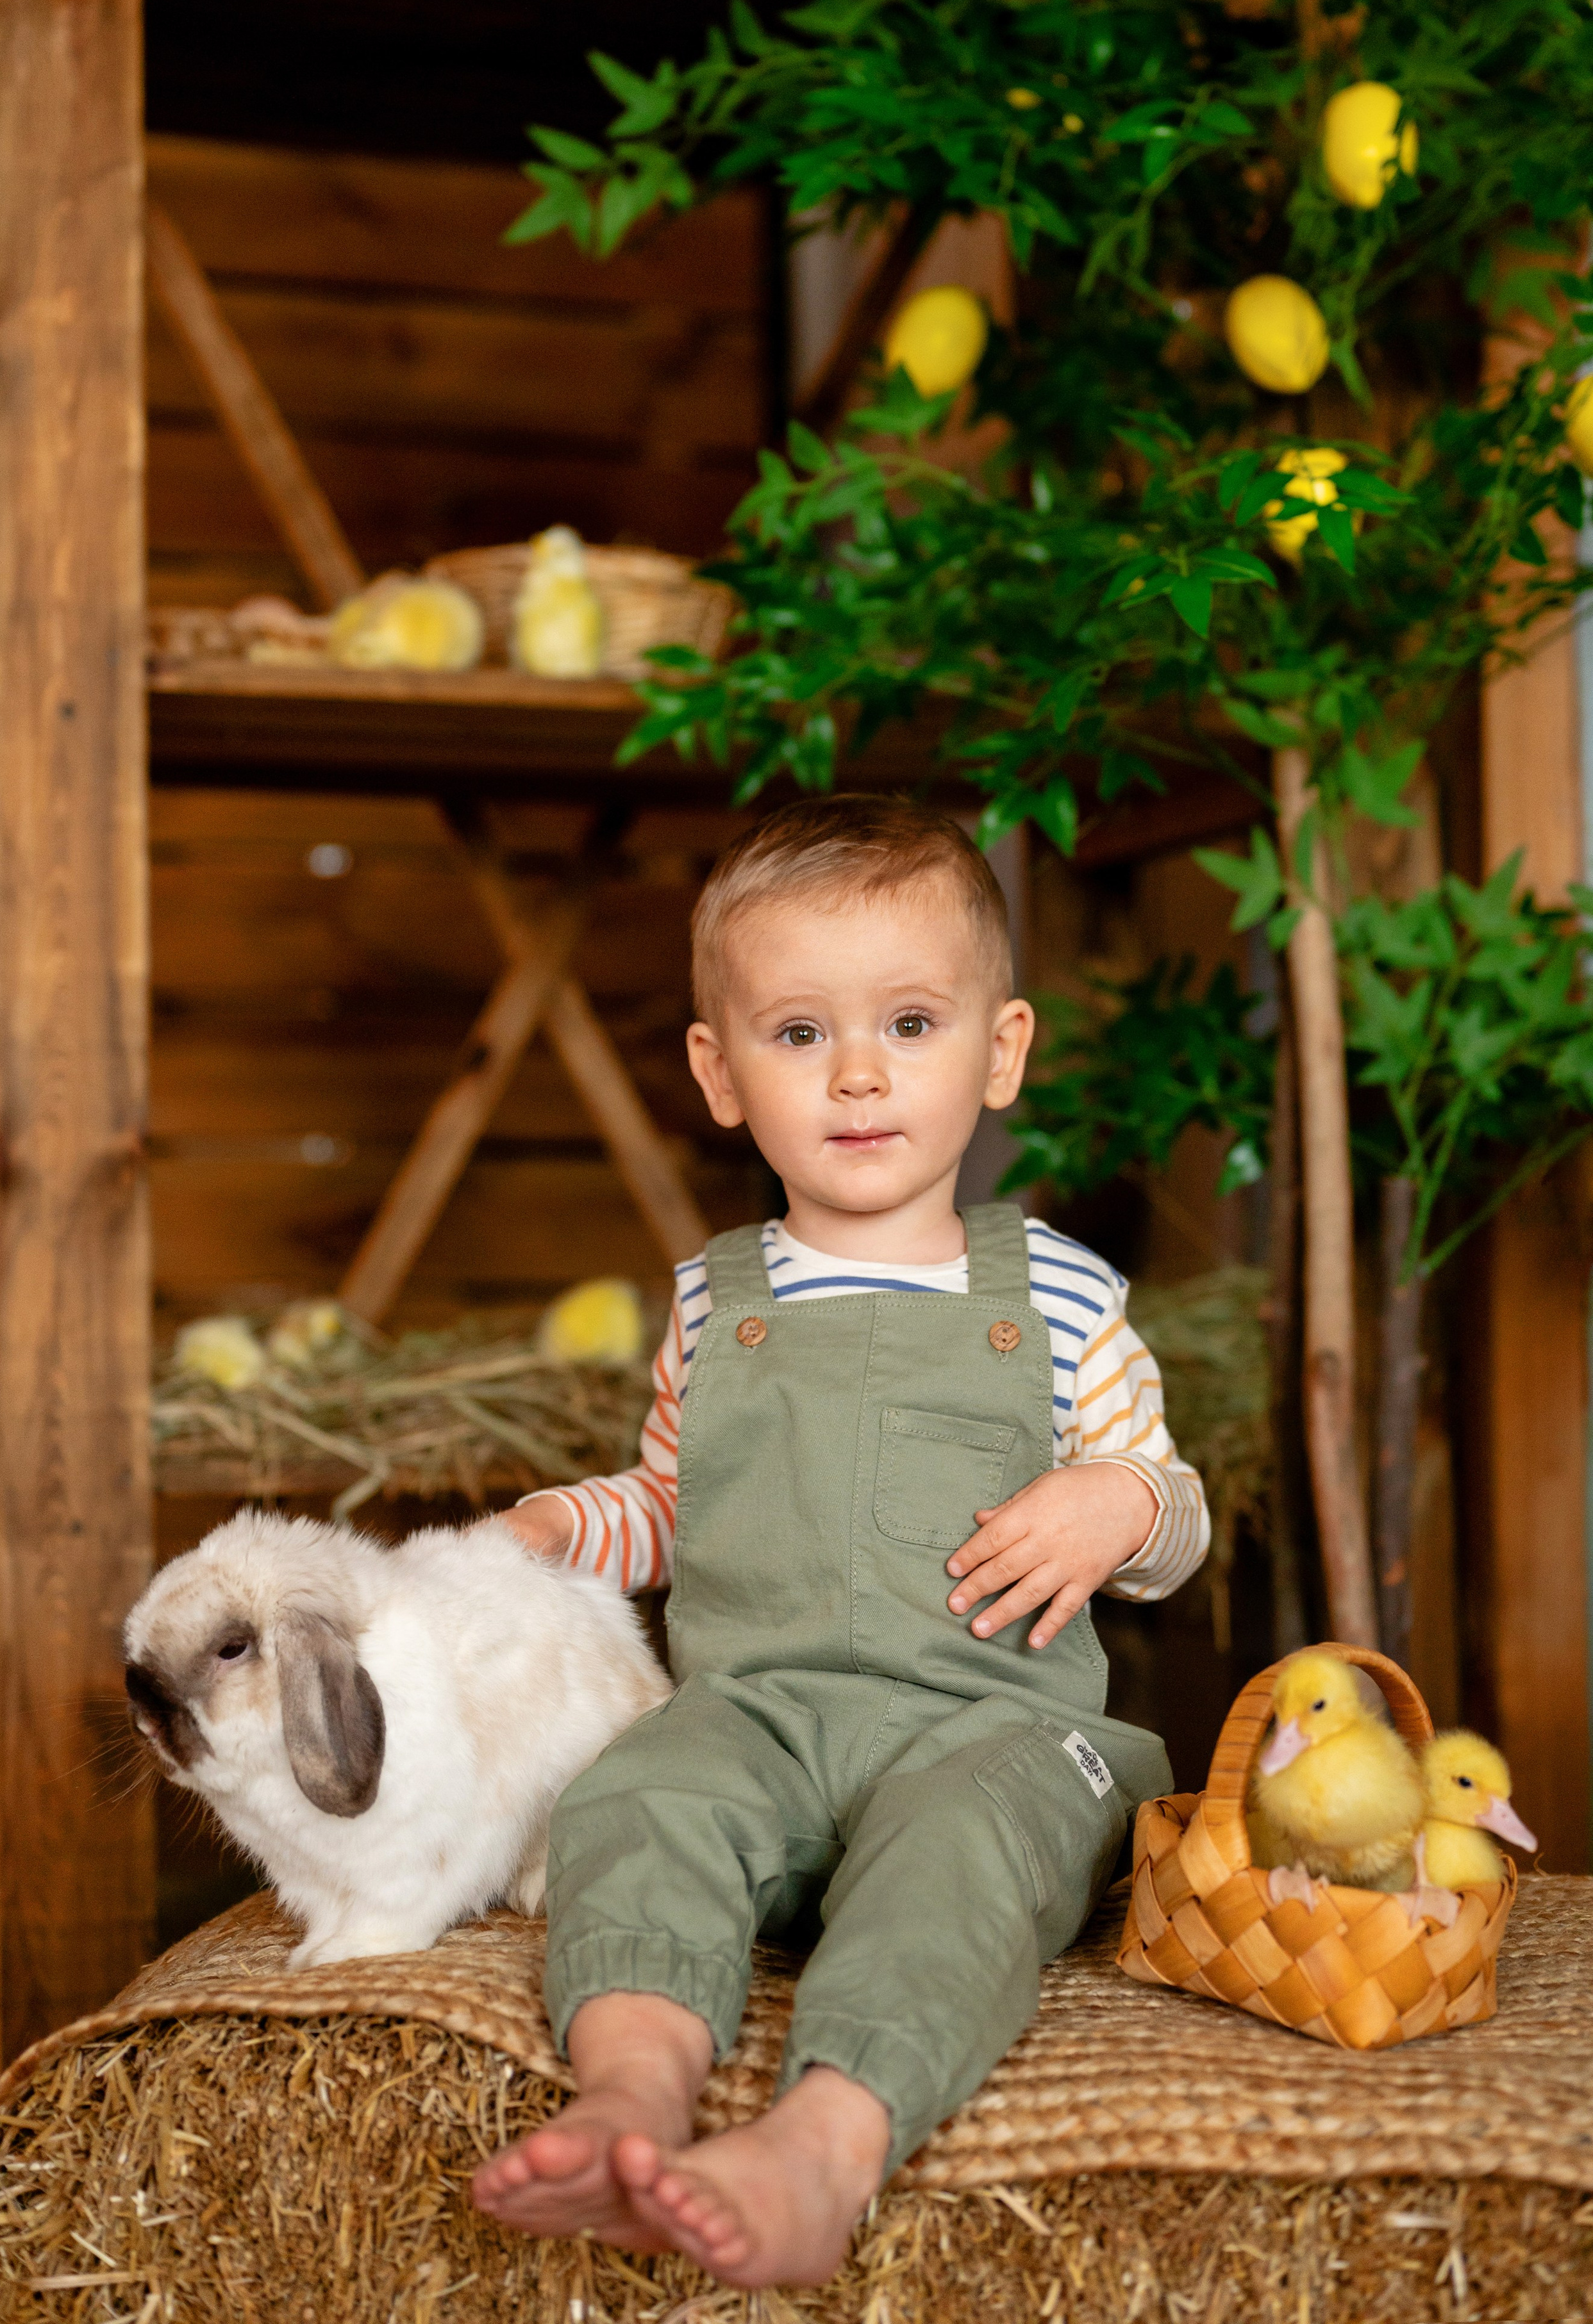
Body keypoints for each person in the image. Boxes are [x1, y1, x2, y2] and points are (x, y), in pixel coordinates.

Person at [471, 795, 1206, 2287]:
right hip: (760, 1717)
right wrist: (562, 1524)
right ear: (718, 1071)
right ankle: (631, 2084)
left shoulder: (1060, 1296)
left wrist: (1119, 1499)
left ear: (997, 1051)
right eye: (797, 1033)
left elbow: (1174, 1511)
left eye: (911, 1023)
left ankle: (822, 2142)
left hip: (985, 1730)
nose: (859, 1072)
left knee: (952, 1859)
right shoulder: (711, 1300)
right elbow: (675, 1505)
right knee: (639, 1794)